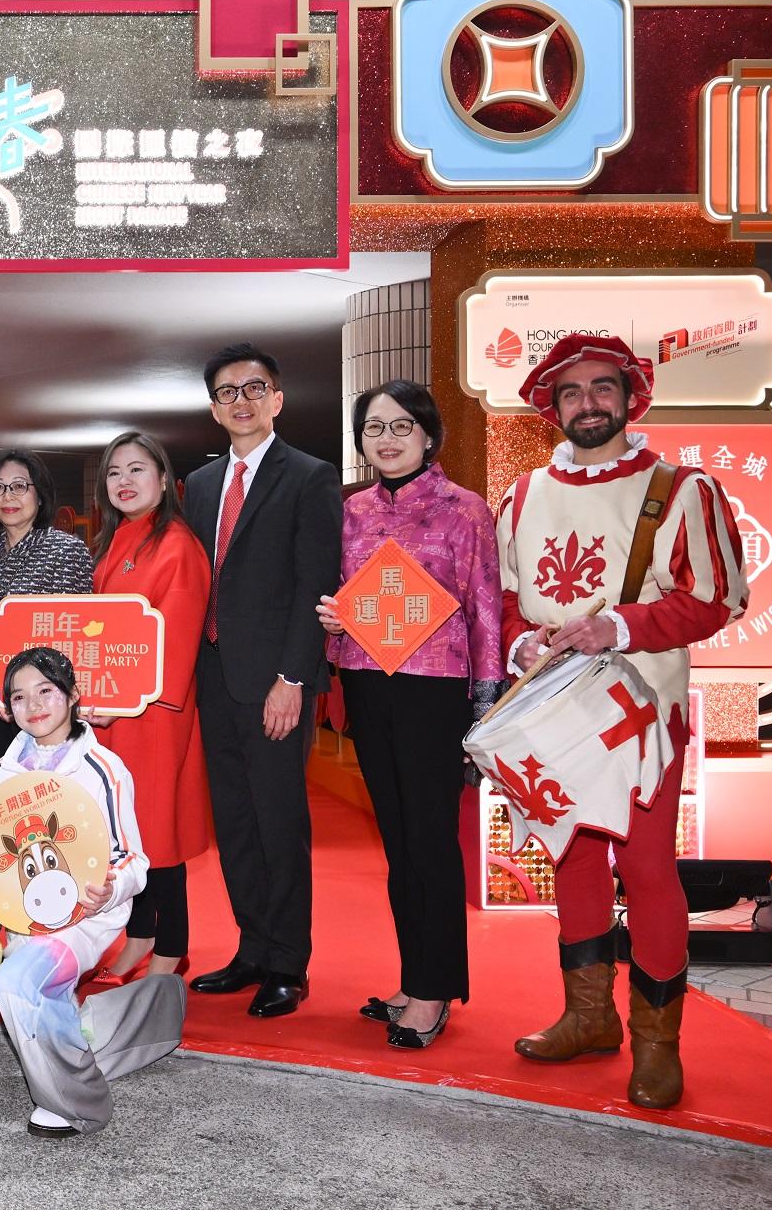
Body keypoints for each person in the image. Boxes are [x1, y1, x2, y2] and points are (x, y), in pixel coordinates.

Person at [497, 335, 747, 1109]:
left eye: (601, 389)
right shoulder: (524, 493)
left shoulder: (681, 489)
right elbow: (508, 597)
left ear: (630, 396)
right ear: (552, 408)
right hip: (550, 708)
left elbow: (716, 598)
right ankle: (588, 1017)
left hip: (641, 709)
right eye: (571, 395)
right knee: (571, 859)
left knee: (644, 867)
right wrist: (523, 638)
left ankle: (657, 1043)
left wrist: (621, 625)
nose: (588, 405)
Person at [314, 382, 502, 1048]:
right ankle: (412, 975)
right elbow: (339, 601)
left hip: (436, 689)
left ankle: (434, 989)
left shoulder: (465, 510)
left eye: (400, 426)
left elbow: (484, 607)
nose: (386, 440)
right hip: (368, 684)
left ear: (429, 434)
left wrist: (486, 702)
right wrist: (333, 621)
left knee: (430, 841)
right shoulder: (352, 512)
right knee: (396, 842)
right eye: (372, 429)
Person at [182, 342, 342, 1017]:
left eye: (253, 388)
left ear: (276, 399)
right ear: (215, 407)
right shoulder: (197, 485)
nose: (239, 401)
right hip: (211, 677)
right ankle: (251, 947)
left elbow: (316, 583)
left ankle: (287, 962)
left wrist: (293, 678)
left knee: (280, 822)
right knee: (237, 822)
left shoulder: (309, 476)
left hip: (273, 680)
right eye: (226, 391)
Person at [0, 648, 183, 1137]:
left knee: (15, 986)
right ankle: (131, 1017)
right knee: (44, 1001)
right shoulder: (0, 774)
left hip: (83, 919)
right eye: (20, 697)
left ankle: (77, 1102)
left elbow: (135, 861)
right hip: (22, 917)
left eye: (46, 691)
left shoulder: (103, 769)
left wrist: (107, 892)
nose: (34, 705)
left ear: (71, 695)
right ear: (7, 707)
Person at [86, 432, 211, 984]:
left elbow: (176, 641)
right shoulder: (118, 541)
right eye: (115, 473)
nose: (126, 482)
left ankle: (173, 942)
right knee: (125, 826)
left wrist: (120, 699)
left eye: (138, 470)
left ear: (164, 479)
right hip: (114, 711)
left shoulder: (176, 544)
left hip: (153, 711)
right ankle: (140, 931)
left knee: (158, 827)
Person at [0, 451, 93, 791]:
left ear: (39, 493)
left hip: (44, 708)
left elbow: (76, 635)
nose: (8, 497)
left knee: (48, 808)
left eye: (19, 486)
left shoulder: (67, 551)